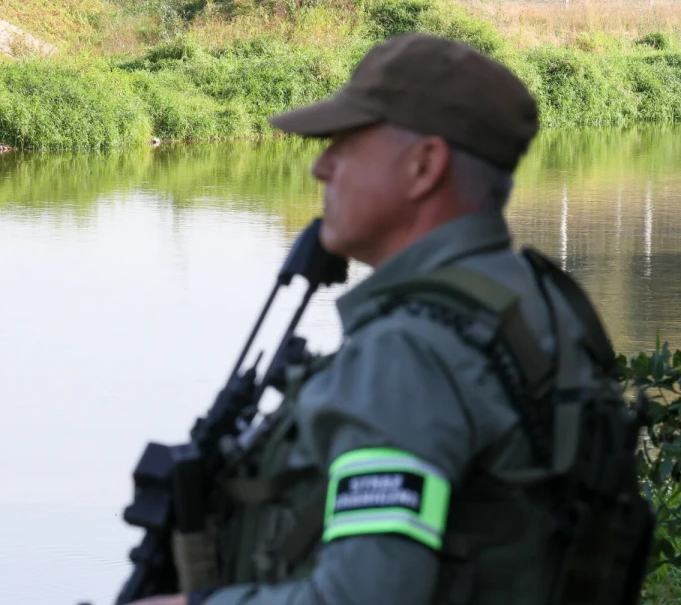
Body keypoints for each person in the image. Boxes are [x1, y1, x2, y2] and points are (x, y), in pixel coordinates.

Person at [131, 34, 650, 605]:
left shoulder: (409, 350)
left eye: (345, 144)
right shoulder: (531, 303)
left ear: (424, 165)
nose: (320, 167)